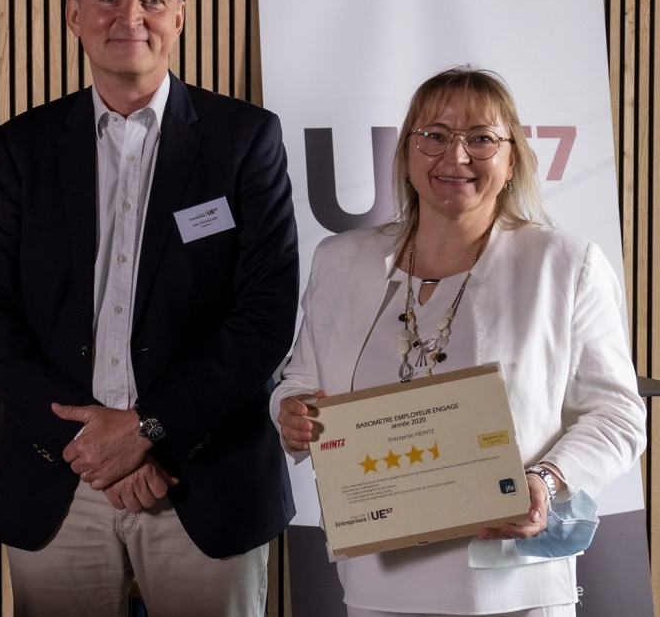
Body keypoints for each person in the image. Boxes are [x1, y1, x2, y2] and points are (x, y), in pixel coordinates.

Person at [0, 0, 299, 617]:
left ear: (179, 15)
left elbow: (264, 318)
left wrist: (146, 431)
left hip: (204, 480)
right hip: (61, 480)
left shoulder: (244, 141)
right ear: (74, 14)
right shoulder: (24, 146)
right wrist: (90, 444)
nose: (130, 17)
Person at [272, 66, 646, 617]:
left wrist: (546, 480)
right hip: (378, 576)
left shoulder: (565, 265)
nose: (456, 156)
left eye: (481, 138)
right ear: (405, 153)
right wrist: (293, 411)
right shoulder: (339, 261)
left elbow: (618, 416)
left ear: (512, 157)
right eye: (435, 135)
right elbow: (301, 379)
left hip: (512, 580)